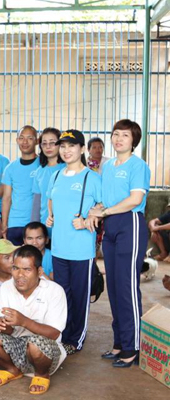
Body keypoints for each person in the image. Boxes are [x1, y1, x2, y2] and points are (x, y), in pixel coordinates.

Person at [88, 119, 150, 367]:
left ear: (134, 140)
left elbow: (135, 199)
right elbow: (104, 199)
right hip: (111, 225)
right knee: (113, 287)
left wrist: (105, 212)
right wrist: (95, 211)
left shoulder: (138, 165)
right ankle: (119, 343)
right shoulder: (108, 167)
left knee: (127, 287)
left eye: (125, 135)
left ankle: (132, 347)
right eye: (115, 134)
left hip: (130, 224)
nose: (118, 139)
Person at [0, 245, 67, 395]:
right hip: (17, 347)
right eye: (15, 268)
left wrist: (24, 321)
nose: (20, 275)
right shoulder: (6, 288)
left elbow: (54, 334)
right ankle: (13, 369)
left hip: (45, 351)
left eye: (27, 269)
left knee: (35, 344)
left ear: (39, 271)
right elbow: (7, 332)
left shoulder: (54, 291)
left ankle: (42, 375)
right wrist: (3, 325)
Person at [46, 129, 102, 355]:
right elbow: (51, 198)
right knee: (62, 295)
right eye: (63, 146)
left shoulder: (92, 177)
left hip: (81, 250)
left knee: (80, 296)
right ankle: (64, 334)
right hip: (59, 248)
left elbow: (104, 205)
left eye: (71, 146)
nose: (66, 150)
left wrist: (89, 218)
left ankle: (76, 339)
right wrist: (50, 216)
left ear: (82, 149)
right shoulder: (56, 176)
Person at [2, 126, 40, 245]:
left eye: (30, 138)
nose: (25, 142)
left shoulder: (43, 165)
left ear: (37, 141)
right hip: (15, 223)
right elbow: (7, 198)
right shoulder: (10, 168)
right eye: (21, 138)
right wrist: (4, 224)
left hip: (36, 222)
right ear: (17, 140)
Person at [31, 128, 64, 230]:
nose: (48, 147)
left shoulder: (68, 168)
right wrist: (35, 227)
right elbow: (37, 203)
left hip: (65, 224)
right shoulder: (39, 172)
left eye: (52, 143)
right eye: (44, 143)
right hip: (45, 225)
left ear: (60, 144)